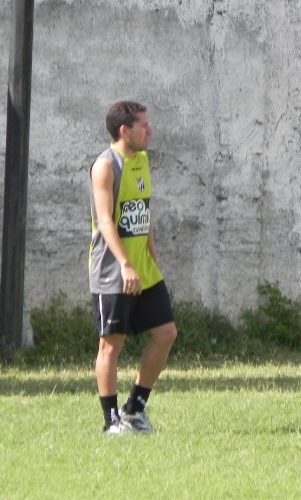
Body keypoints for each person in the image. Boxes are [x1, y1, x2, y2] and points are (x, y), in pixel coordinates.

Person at [89, 101, 177, 434]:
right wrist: (125, 264)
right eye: (143, 125)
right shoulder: (106, 165)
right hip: (114, 269)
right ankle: (111, 421)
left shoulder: (142, 160)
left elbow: (143, 211)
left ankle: (135, 408)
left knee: (166, 333)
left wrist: (151, 256)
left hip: (143, 267)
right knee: (111, 344)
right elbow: (106, 221)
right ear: (124, 130)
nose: (149, 130)